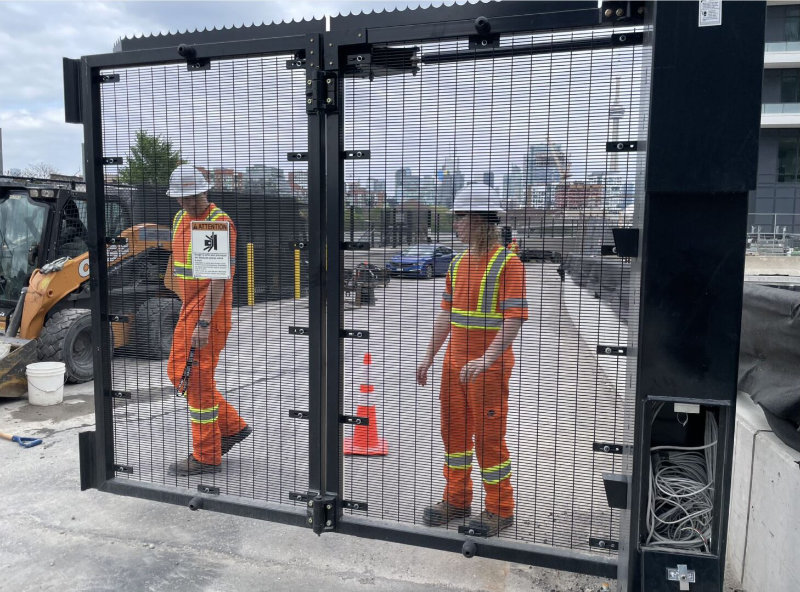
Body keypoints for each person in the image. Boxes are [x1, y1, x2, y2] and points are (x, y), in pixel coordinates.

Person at [416, 184, 528, 537]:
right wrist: (429, 357)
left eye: (461, 217)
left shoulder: (509, 264)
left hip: (488, 370)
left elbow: (514, 319)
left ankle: (499, 509)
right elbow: (445, 315)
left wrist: (488, 358)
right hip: (454, 366)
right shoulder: (458, 263)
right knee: (454, 435)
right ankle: (457, 499)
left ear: (480, 220)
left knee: (489, 438)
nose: (456, 224)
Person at [165, 164, 251, 476]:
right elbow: (175, 262)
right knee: (179, 373)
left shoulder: (215, 222)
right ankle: (230, 428)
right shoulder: (180, 219)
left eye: (191, 196)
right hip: (191, 307)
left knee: (196, 380)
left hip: (208, 313)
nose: (186, 202)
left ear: (205, 190)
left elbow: (217, 279)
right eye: (180, 197)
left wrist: (202, 324)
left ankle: (206, 454)